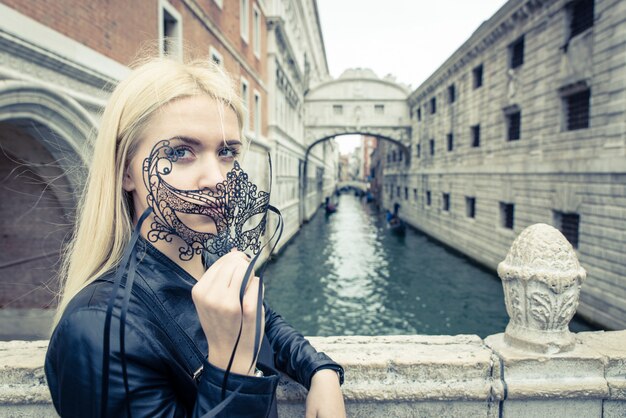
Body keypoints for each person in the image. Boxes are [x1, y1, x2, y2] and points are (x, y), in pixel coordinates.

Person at [45, 57, 346, 418]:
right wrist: (230, 363)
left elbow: (266, 321)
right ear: (126, 171)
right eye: (180, 153)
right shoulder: (97, 326)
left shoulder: (210, 256)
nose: (218, 179)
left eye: (226, 152)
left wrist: (321, 370)